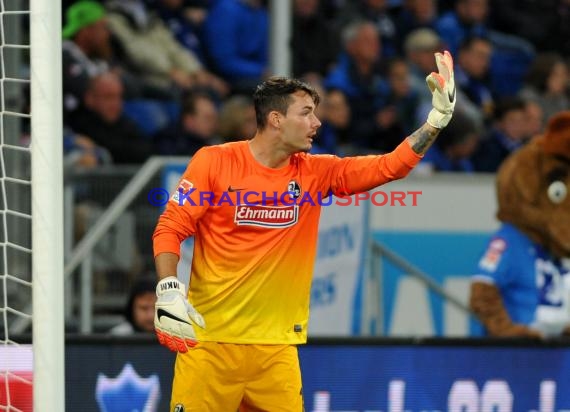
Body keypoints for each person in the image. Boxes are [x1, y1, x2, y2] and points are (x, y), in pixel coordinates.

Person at [152, 51, 456, 410]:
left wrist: (435, 121)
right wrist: (168, 288)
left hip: (277, 352)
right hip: (209, 345)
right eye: (307, 113)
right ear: (276, 119)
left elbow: (389, 167)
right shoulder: (215, 162)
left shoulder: (316, 172)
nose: (317, 123)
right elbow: (171, 226)